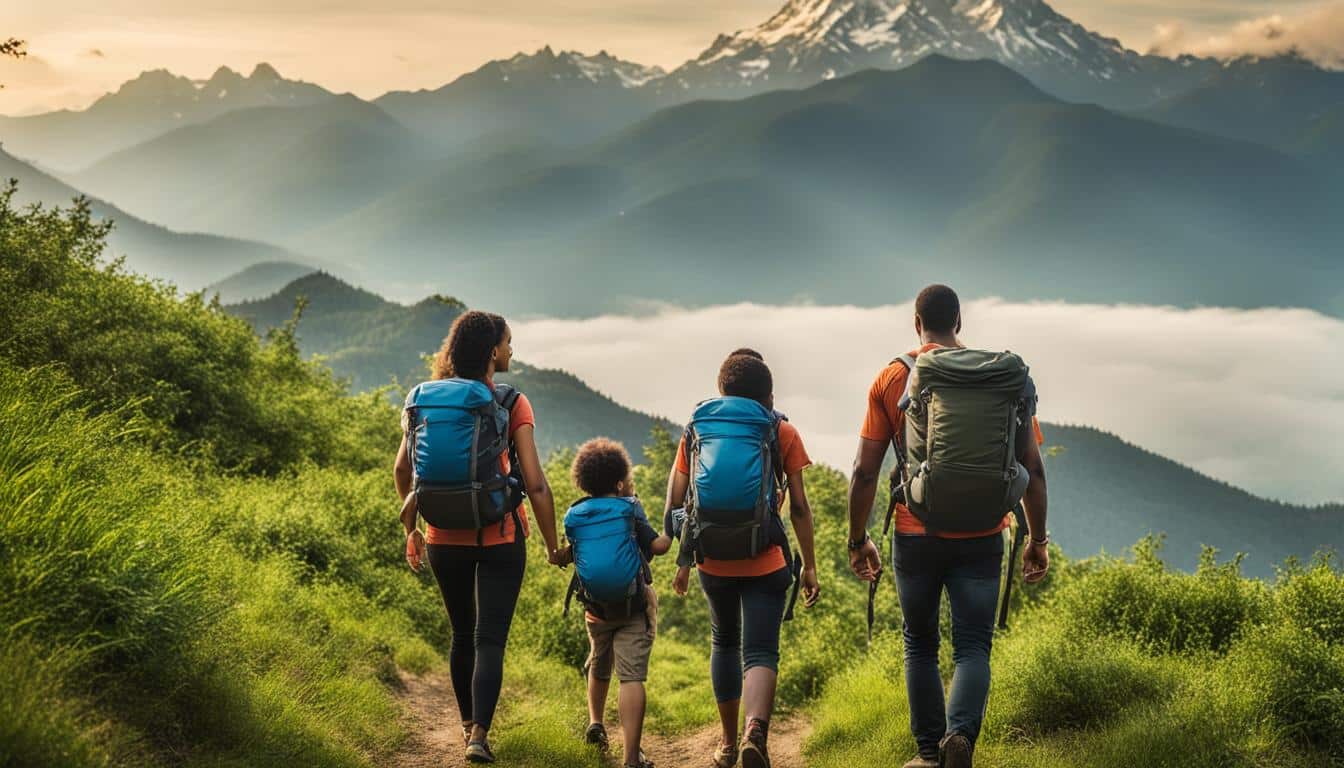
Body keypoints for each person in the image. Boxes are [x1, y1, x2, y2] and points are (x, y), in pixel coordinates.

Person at [846, 285, 1049, 768]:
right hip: (984, 531)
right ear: (959, 322)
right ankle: (960, 736)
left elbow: (864, 472)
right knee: (973, 645)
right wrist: (1037, 540)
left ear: (917, 324)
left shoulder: (893, 377)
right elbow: (1033, 467)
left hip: (915, 530)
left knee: (919, 643)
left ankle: (927, 754)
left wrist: (858, 539)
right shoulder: (1001, 377)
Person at [395, 310, 566, 764]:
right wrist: (552, 546)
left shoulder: (423, 400)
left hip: (442, 535)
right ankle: (479, 737)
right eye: (508, 343)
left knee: (461, 633)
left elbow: (402, 470)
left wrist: (413, 531)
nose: (511, 350)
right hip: (501, 536)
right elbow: (536, 485)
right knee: (489, 638)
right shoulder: (511, 402)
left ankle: (466, 723)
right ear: (492, 352)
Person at [667, 351, 821, 768]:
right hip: (766, 557)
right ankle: (756, 731)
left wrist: (682, 556)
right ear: (768, 394)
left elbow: (677, 499)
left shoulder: (696, 427)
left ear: (722, 390)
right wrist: (808, 566)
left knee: (724, 642)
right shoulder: (780, 429)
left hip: (712, 559)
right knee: (761, 651)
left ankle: (728, 743)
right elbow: (800, 507)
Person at [556, 438, 672, 768]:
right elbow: (658, 547)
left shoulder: (573, 516)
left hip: (595, 609)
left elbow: (571, 553)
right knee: (631, 677)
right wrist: (674, 527)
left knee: (599, 662)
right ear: (620, 483)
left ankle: (596, 722)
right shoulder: (629, 508)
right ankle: (631, 757)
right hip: (632, 608)